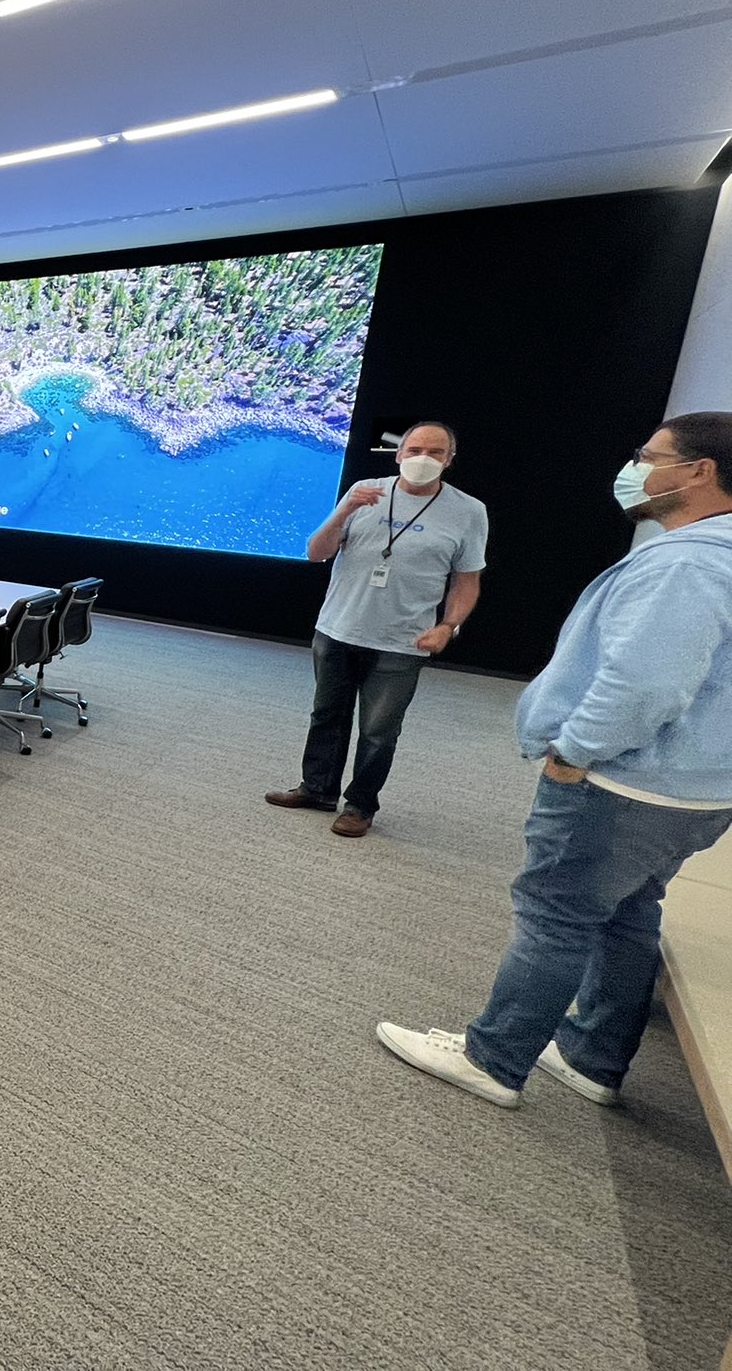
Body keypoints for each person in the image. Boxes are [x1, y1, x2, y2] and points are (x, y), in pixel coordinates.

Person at [378, 412, 732, 1107]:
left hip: (628, 786)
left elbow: (644, 686)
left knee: (555, 918)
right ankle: (592, 1058)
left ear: (698, 471)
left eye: (648, 455)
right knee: (629, 913)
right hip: (697, 790)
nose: (635, 468)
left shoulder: (686, 564)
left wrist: (574, 753)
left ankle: (493, 1060)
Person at [267, 422, 487, 837]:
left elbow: (466, 580)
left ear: (449, 460)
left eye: (435, 452)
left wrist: (448, 626)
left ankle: (360, 806)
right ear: (399, 454)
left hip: (403, 641)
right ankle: (317, 789)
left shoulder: (468, 511)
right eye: (415, 450)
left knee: (378, 731)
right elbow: (317, 552)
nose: (423, 459)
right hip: (338, 628)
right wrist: (344, 511)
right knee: (326, 715)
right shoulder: (365, 491)